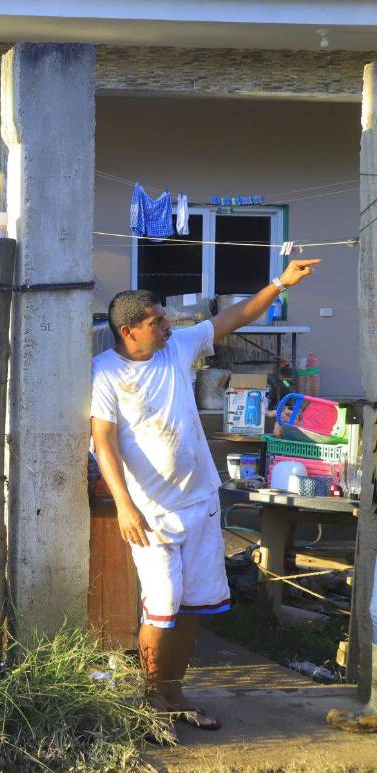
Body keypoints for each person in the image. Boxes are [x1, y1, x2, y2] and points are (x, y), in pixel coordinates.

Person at [90, 258, 320, 733]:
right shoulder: (105, 374)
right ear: (130, 330)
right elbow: (105, 443)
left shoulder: (177, 349)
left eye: (165, 318)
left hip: (201, 501)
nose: (168, 325)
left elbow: (233, 318)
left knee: (194, 604)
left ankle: (175, 692)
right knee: (164, 603)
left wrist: (279, 282)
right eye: (157, 321)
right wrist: (125, 506)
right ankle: (152, 696)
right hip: (151, 513)